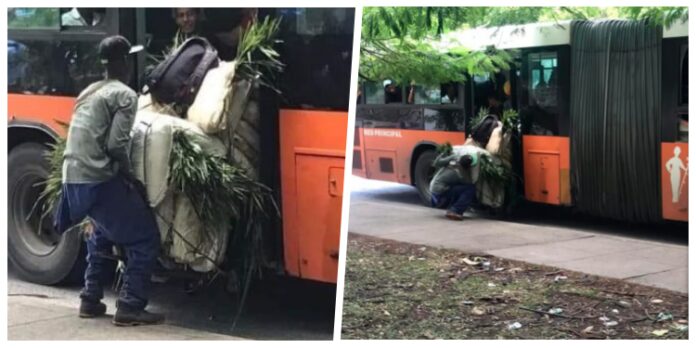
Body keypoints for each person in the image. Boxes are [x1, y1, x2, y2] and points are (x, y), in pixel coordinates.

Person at [54, 35, 164, 326]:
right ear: (124, 63)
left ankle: (90, 300)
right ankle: (130, 305)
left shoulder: (88, 91)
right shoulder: (125, 95)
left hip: (72, 178)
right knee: (145, 238)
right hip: (97, 178)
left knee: (102, 230)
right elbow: (117, 145)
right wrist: (131, 177)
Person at [429, 150, 480, 221]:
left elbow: (436, 163)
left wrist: (442, 154)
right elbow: (470, 182)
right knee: (470, 189)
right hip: (440, 196)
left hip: (432, 188)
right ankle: (455, 210)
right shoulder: (462, 175)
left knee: (456, 187)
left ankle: (452, 207)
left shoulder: (453, 158)